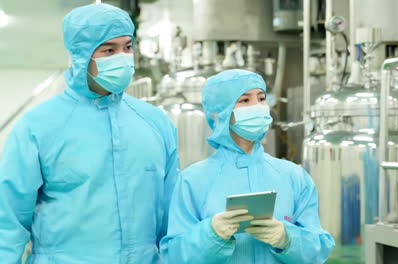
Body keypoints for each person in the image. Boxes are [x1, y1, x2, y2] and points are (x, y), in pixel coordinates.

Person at [0, 4, 179, 263]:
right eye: (109, 50)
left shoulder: (155, 123)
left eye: (127, 47)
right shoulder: (37, 127)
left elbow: (173, 218)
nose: (122, 57)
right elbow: (8, 223)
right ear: (82, 55)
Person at [160, 69, 334, 263]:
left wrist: (287, 238)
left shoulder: (294, 176)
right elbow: (174, 256)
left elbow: (319, 250)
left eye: (261, 98)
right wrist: (210, 234)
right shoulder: (193, 180)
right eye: (245, 101)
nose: (257, 107)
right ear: (221, 113)